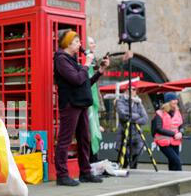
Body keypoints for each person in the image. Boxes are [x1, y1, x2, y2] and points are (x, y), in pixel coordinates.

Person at [54, 30, 110, 186]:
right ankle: (62, 175)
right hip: (70, 104)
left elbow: (85, 83)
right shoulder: (61, 60)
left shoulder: (72, 60)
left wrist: (100, 71)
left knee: (84, 139)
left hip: (81, 103)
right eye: (77, 41)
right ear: (68, 43)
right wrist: (86, 64)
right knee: (65, 140)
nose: (80, 44)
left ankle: (85, 172)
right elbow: (77, 79)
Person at [116, 84, 149, 169]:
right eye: (129, 89)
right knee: (123, 159)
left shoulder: (138, 102)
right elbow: (123, 115)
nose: (131, 91)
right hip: (124, 133)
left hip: (136, 135)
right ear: (125, 90)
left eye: (134, 89)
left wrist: (133, 121)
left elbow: (145, 118)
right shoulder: (120, 100)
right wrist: (137, 116)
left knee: (135, 158)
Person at [153, 92, 184, 171]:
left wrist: (181, 132)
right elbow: (158, 128)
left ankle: (173, 180)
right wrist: (174, 134)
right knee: (177, 162)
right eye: (173, 99)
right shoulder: (159, 113)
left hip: (175, 141)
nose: (176, 101)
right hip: (163, 142)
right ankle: (180, 179)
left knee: (173, 162)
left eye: (176, 99)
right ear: (168, 101)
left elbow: (181, 125)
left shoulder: (177, 112)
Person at [86, 37, 103, 163]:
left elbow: (102, 63)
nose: (94, 45)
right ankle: (90, 161)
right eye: (91, 43)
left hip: (94, 103)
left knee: (94, 131)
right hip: (85, 102)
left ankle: (94, 161)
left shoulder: (93, 61)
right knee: (89, 132)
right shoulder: (84, 61)